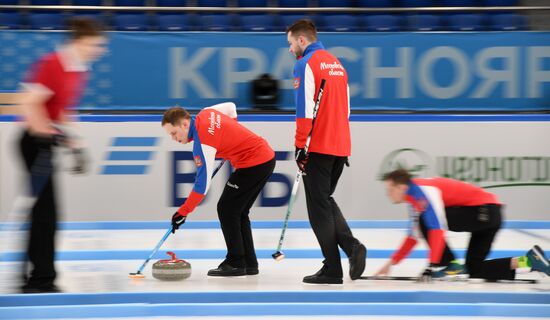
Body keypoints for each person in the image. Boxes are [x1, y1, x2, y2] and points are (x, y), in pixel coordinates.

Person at [17, 17, 107, 293]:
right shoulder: (54, 63)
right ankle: (39, 279)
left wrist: (75, 144)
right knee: (45, 213)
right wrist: (44, 134)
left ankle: (39, 275)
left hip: (48, 141)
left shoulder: (79, 69)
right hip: (34, 142)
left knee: (46, 213)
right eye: (94, 44)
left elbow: (63, 112)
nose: (98, 50)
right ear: (79, 42)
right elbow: (28, 104)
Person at [286, 19, 366, 285]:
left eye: (290, 44)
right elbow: (346, 111)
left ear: (301, 40)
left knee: (318, 209)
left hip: (317, 147)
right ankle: (351, 247)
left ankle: (333, 268)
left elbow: (304, 111)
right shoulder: (337, 64)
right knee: (325, 201)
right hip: (341, 145)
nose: (289, 50)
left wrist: (299, 146)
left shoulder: (305, 64)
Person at [162, 103, 275, 277]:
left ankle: (236, 262)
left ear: (185, 124)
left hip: (254, 163)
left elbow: (202, 185)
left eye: (174, 133)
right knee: (239, 211)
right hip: (265, 158)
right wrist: (229, 136)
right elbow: (231, 107)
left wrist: (183, 212)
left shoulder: (202, 144)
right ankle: (249, 263)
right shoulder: (206, 112)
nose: (173, 138)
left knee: (227, 209)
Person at [376, 169, 550, 282]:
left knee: (427, 221)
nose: (387, 194)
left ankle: (450, 263)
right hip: (490, 215)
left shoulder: (423, 191)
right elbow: (414, 236)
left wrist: (432, 265)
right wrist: (391, 263)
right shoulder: (414, 199)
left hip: (483, 211)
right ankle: (528, 260)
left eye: (389, 189)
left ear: (401, 187)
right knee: (475, 270)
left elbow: (436, 229)